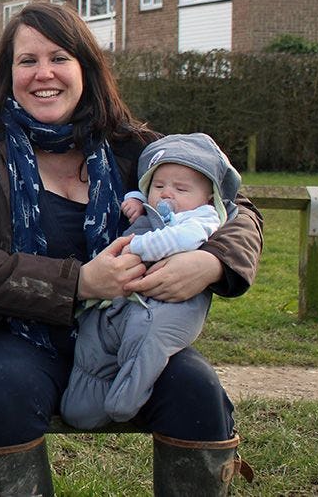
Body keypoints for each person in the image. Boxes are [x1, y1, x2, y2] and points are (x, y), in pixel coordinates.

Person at [0, 2, 261, 496]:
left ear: (85, 67)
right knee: (2, 388)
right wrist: (81, 282)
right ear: (9, 74)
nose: (44, 73)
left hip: (125, 328)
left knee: (196, 391)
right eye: (27, 61)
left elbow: (239, 209)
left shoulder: (134, 148)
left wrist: (212, 262)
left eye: (59, 58)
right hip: (17, 332)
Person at [61, 132, 242, 429]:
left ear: (208, 196)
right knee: (95, 337)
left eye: (180, 188)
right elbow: (142, 190)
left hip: (168, 305)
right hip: (120, 299)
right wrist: (135, 199)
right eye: (159, 186)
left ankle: (127, 398)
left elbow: (201, 228)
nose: (167, 194)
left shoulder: (202, 216)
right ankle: (85, 402)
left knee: (149, 339)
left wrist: (208, 261)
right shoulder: (156, 199)